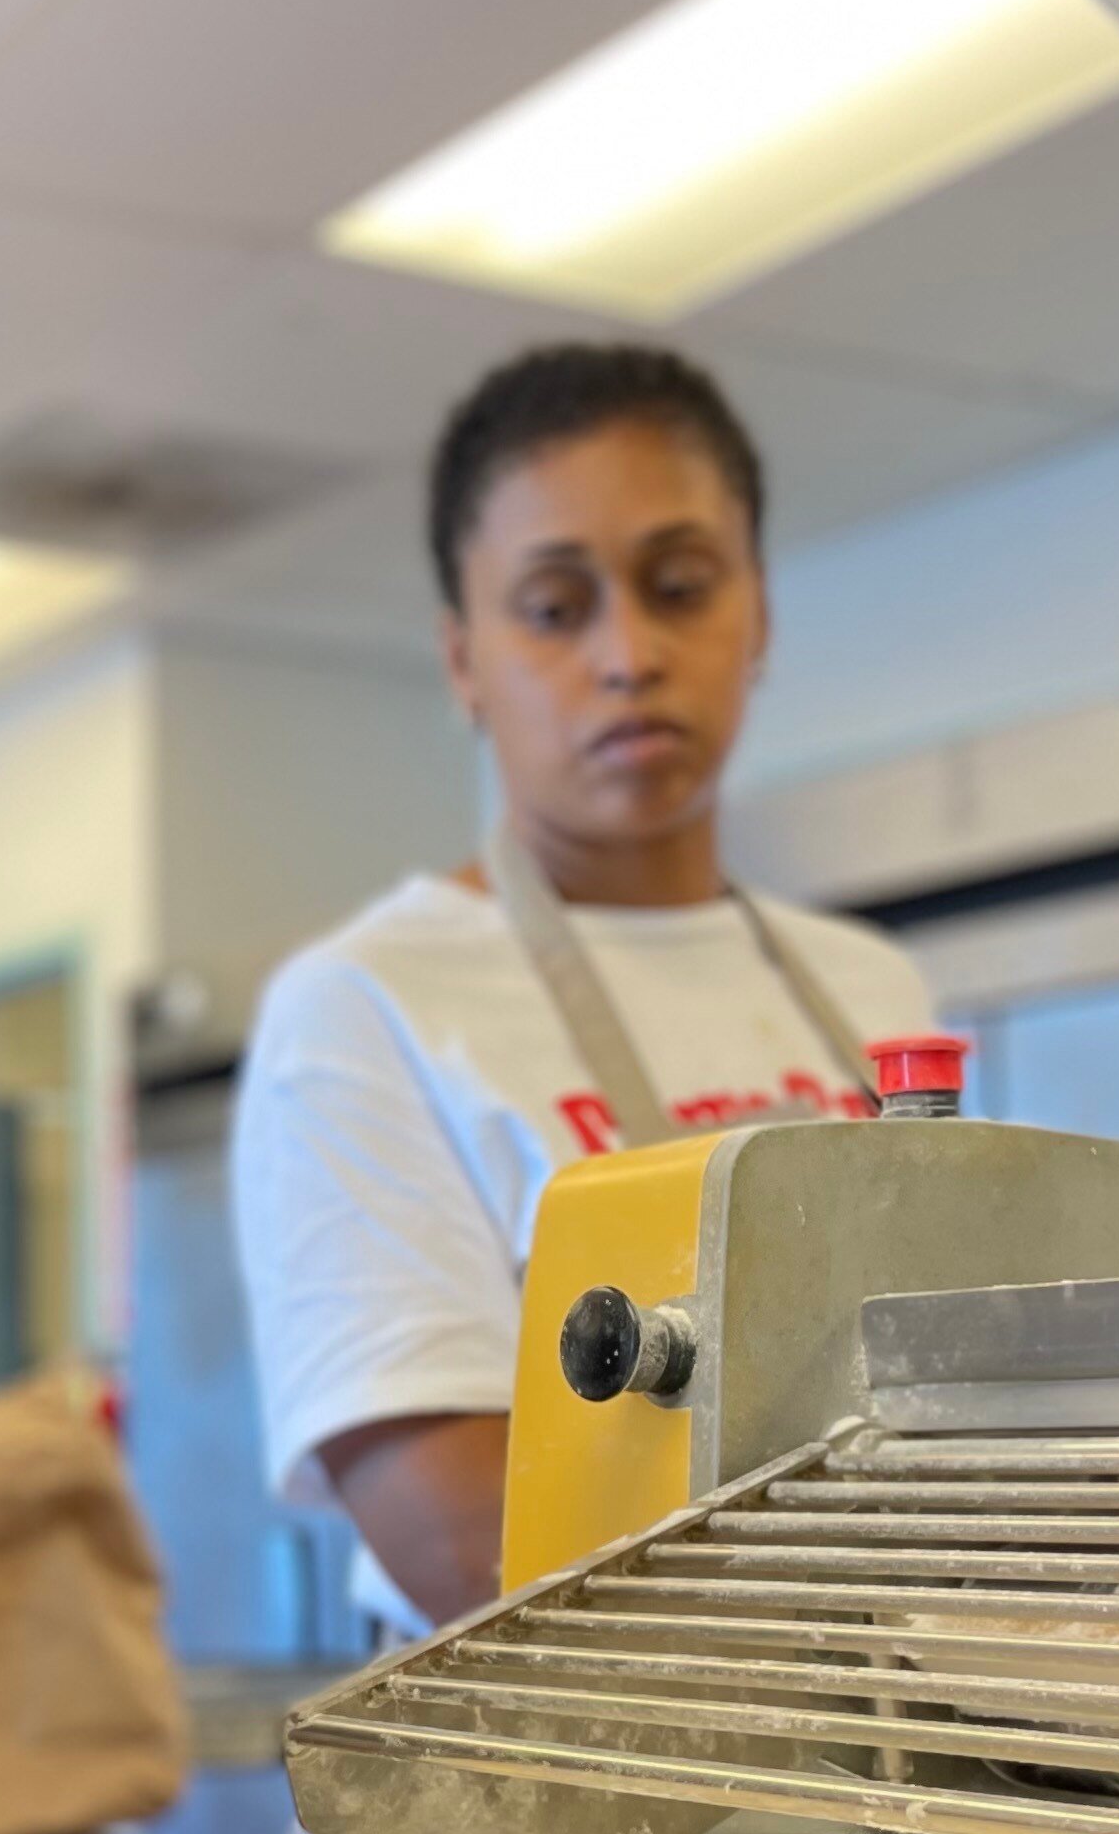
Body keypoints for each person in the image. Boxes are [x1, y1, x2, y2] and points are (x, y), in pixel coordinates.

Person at [232, 344, 936, 1640]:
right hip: (538, 1792)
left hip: (873, 1759)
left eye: (680, 586)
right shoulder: (362, 1009)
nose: (629, 654)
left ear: (759, 615)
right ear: (462, 662)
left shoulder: (871, 987)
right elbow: (475, 1545)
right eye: (556, 608)